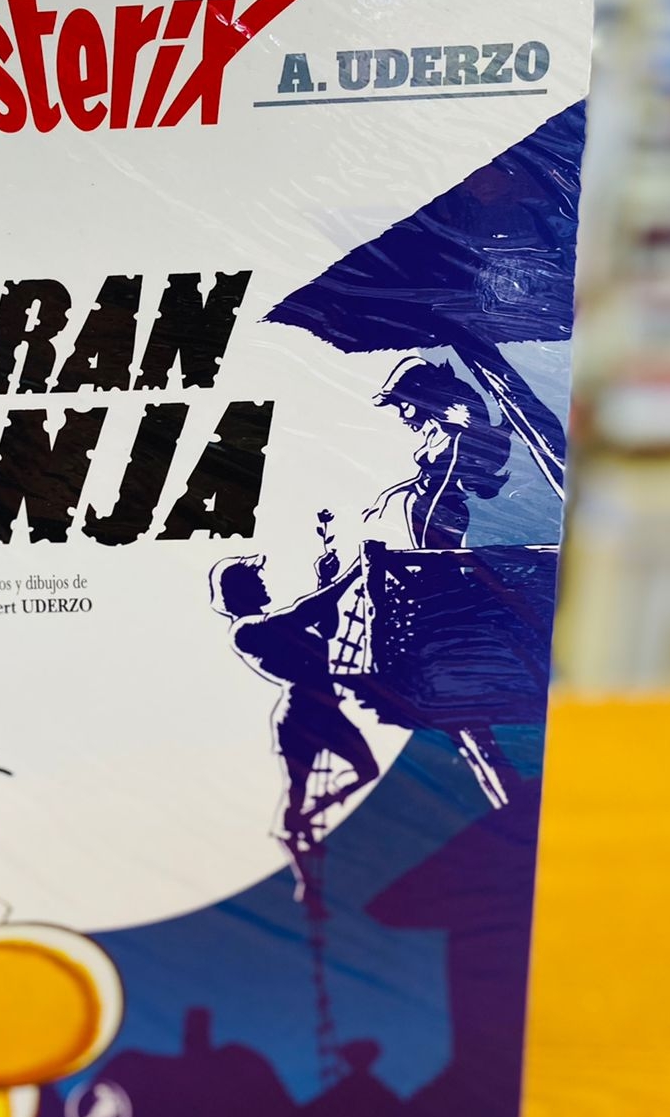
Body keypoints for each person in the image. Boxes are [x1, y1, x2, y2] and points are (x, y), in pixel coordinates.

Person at [211, 548, 378, 856]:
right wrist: (354, 573)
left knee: (367, 769)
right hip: (300, 715)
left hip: (325, 710)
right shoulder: (245, 631)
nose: (263, 584)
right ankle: (295, 839)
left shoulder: (271, 625)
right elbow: (303, 613)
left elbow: (326, 629)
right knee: (298, 788)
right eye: (255, 581)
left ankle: (305, 818)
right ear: (238, 592)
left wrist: (325, 580)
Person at [363, 356, 512, 549]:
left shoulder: (458, 438)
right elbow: (423, 479)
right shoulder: (435, 432)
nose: (402, 416)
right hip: (423, 508)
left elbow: (442, 484)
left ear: (421, 400)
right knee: (428, 559)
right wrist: (386, 496)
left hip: (441, 512)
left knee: (435, 559)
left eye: (404, 406)